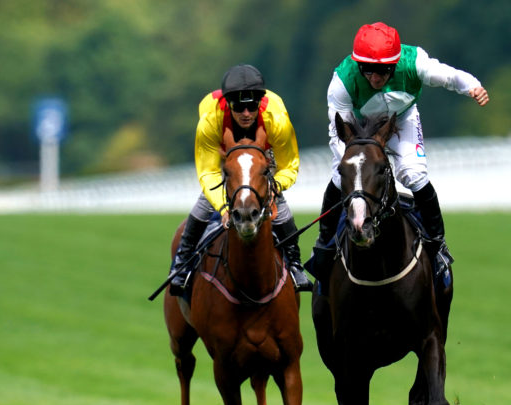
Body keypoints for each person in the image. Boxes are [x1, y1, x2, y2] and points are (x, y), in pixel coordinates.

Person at [310, 22, 489, 283]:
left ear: (394, 64)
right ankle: (325, 247)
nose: (374, 77)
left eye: (382, 70)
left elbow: (449, 76)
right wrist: (349, 163)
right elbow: (341, 130)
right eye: (368, 69)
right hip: (358, 129)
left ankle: (438, 247)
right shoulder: (342, 82)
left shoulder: (414, 63)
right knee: (342, 177)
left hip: (401, 119)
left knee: (414, 175)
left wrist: (471, 86)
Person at [169, 63, 312, 295]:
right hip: (227, 166)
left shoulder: (276, 119)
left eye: (252, 106)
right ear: (228, 104)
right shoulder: (210, 119)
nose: (246, 114)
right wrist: (224, 207)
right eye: (239, 107)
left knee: (282, 210)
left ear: (260, 103)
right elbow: (208, 173)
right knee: (202, 208)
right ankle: (181, 265)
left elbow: (289, 166)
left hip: (261, 164)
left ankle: (295, 266)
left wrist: (276, 186)